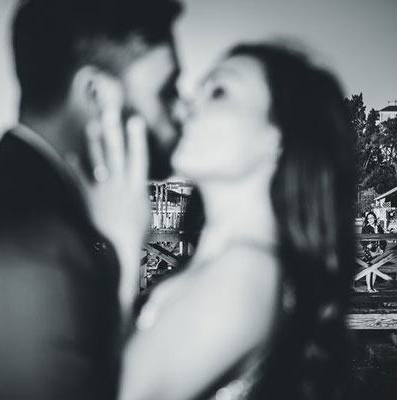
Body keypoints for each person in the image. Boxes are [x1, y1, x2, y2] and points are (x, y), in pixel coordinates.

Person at [0, 0, 182, 398]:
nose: (180, 112)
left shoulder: (11, 198)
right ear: (96, 94)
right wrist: (124, 255)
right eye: (167, 92)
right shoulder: (31, 242)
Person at [113, 43, 354, 400]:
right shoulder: (232, 264)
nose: (187, 104)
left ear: (278, 137)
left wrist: (119, 238)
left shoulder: (246, 271)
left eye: (219, 92)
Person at [361, 211, 386, 292]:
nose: (370, 220)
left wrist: (382, 249)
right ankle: (369, 288)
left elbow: (383, 240)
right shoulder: (365, 228)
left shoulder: (379, 228)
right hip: (369, 251)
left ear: (375, 218)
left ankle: (373, 287)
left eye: (372, 218)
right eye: (368, 219)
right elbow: (361, 240)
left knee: (376, 268)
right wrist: (366, 245)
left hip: (378, 250)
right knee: (369, 269)